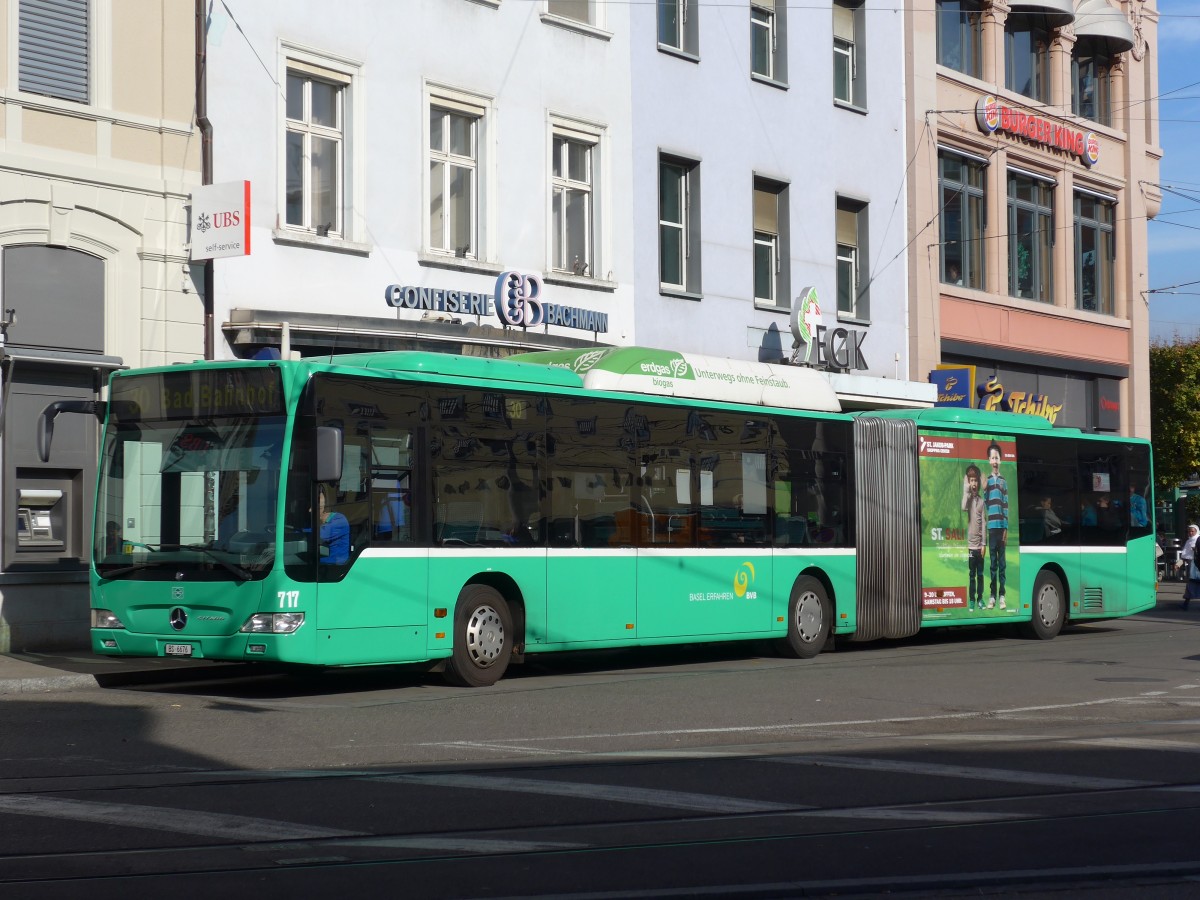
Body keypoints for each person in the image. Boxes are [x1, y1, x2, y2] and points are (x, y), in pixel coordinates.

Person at [984, 441, 1008, 610]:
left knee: (1002, 565)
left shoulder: (1003, 481)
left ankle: (1002, 596)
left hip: (1001, 528)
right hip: (991, 529)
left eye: (997, 458)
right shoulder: (986, 481)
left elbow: (1005, 505)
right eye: (992, 458)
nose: (994, 461)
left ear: (1000, 460)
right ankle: (992, 596)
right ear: (989, 460)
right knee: (993, 564)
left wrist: (1005, 528)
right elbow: (985, 504)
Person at [961, 464, 985, 611]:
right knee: (972, 575)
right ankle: (971, 600)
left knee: (980, 574)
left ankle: (980, 599)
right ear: (968, 482)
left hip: (980, 547)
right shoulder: (968, 499)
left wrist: (984, 544)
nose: (974, 483)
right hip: (971, 546)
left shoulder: (981, 502)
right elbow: (963, 507)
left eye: (975, 480)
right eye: (971, 480)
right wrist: (966, 488)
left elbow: (984, 523)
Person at [318, 487, 350, 565]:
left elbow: (321, 535)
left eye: (319, 507)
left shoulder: (339, 519)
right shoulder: (322, 521)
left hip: (336, 563)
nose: (310, 510)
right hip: (324, 560)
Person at [1181, 524, 1200, 609]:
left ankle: (1186, 603)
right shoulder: (1189, 541)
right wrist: (1179, 564)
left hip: (1197, 565)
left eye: (1192, 531)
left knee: (1192, 584)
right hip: (1192, 565)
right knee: (1191, 584)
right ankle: (1186, 603)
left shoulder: (1198, 539)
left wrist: (1196, 550)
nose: (1190, 533)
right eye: (1189, 531)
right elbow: (1185, 554)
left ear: (1196, 531)